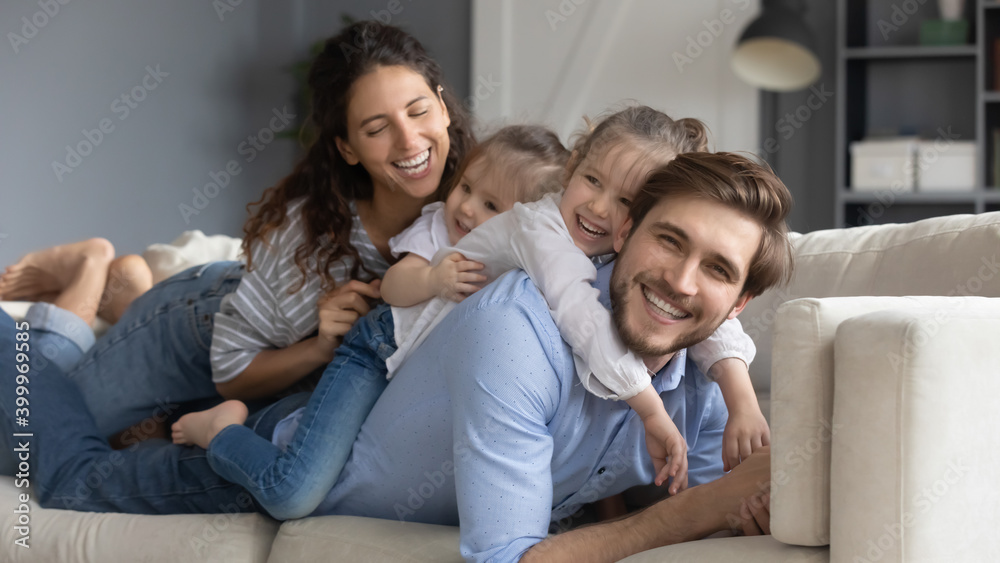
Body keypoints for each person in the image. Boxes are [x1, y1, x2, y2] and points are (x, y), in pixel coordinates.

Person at [0, 150, 793, 562]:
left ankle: (71, 310)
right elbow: (510, 555)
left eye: (718, 269)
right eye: (669, 239)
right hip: (266, 457)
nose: (681, 282)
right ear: (623, 233)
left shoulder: (703, 383)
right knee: (64, 477)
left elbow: (727, 504)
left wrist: (741, 505)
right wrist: (698, 510)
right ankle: (16, 338)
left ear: (739, 303)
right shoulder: (519, 328)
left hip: (312, 380)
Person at [2, 20, 475, 440]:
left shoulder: (479, 199)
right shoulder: (311, 239)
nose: (410, 140)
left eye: (417, 111)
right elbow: (230, 369)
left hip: (243, 321)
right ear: (347, 148)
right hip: (192, 335)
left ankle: (128, 288)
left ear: (442, 105)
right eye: (376, 129)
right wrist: (319, 347)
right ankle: (87, 267)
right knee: (28, 437)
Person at [170, 124, 572, 519]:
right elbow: (393, 286)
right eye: (466, 188)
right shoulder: (439, 230)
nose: (466, 208)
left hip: (413, 383)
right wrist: (433, 278)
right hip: (374, 357)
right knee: (292, 493)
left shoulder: (519, 269)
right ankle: (221, 431)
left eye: (491, 206)